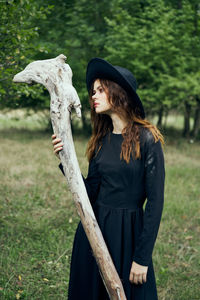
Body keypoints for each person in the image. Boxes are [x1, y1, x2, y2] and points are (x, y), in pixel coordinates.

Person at [51, 58, 165, 300]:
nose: (94, 96)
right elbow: (90, 193)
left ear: (119, 93)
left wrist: (142, 258)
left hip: (128, 235)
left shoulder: (147, 139)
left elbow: (155, 203)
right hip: (94, 233)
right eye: (93, 91)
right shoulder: (101, 140)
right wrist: (66, 160)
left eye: (101, 90)